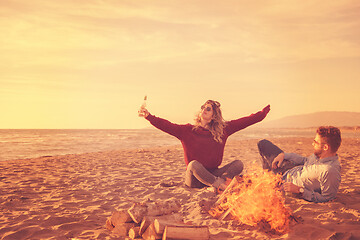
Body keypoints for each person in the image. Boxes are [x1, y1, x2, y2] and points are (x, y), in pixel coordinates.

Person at [138, 99, 270, 191]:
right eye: (203, 107)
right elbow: (166, 125)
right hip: (194, 180)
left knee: (238, 164)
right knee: (193, 164)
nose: (204, 110)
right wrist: (149, 116)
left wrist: (262, 114)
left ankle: (219, 184)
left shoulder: (223, 130)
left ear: (214, 116)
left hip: (214, 174)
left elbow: (245, 121)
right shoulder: (186, 130)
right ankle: (221, 186)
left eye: (208, 109)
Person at [257, 126, 342, 203]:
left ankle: (267, 175)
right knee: (263, 144)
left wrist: (299, 190)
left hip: (283, 182)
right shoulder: (319, 155)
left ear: (325, 147)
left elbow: (327, 198)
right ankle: (267, 172)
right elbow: (305, 160)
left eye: (315, 142)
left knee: (252, 185)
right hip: (289, 168)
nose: (312, 144)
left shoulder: (330, 171)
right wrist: (284, 155)